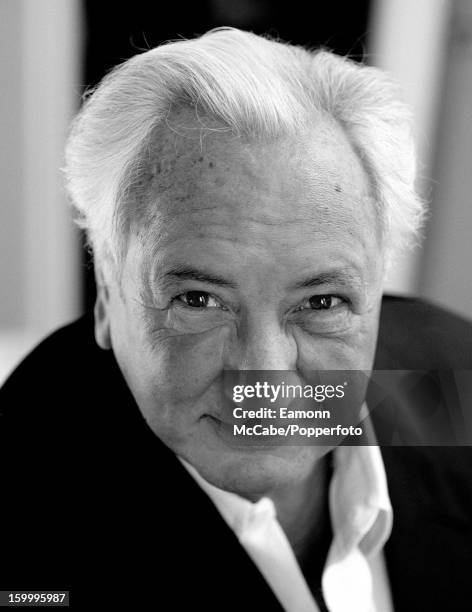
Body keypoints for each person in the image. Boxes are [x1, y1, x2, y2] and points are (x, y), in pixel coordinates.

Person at [1, 28, 471, 611]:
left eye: (321, 303)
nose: (264, 384)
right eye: (199, 300)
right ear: (106, 294)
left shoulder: (458, 369)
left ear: (377, 284)